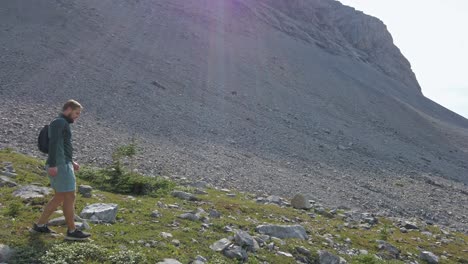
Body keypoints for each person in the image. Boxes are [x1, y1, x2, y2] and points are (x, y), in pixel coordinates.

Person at [31, 99, 91, 241]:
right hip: (60, 165)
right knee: (69, 196)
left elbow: (62, 146)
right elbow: (54, 144)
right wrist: (53, 164)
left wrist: (71, 161)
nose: (77, 116)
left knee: (60, 197)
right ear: (69, 109)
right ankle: (72, 231)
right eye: (76, 113)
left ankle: (40, 225)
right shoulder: (59, 122)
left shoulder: (61, 123)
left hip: (63, 163)